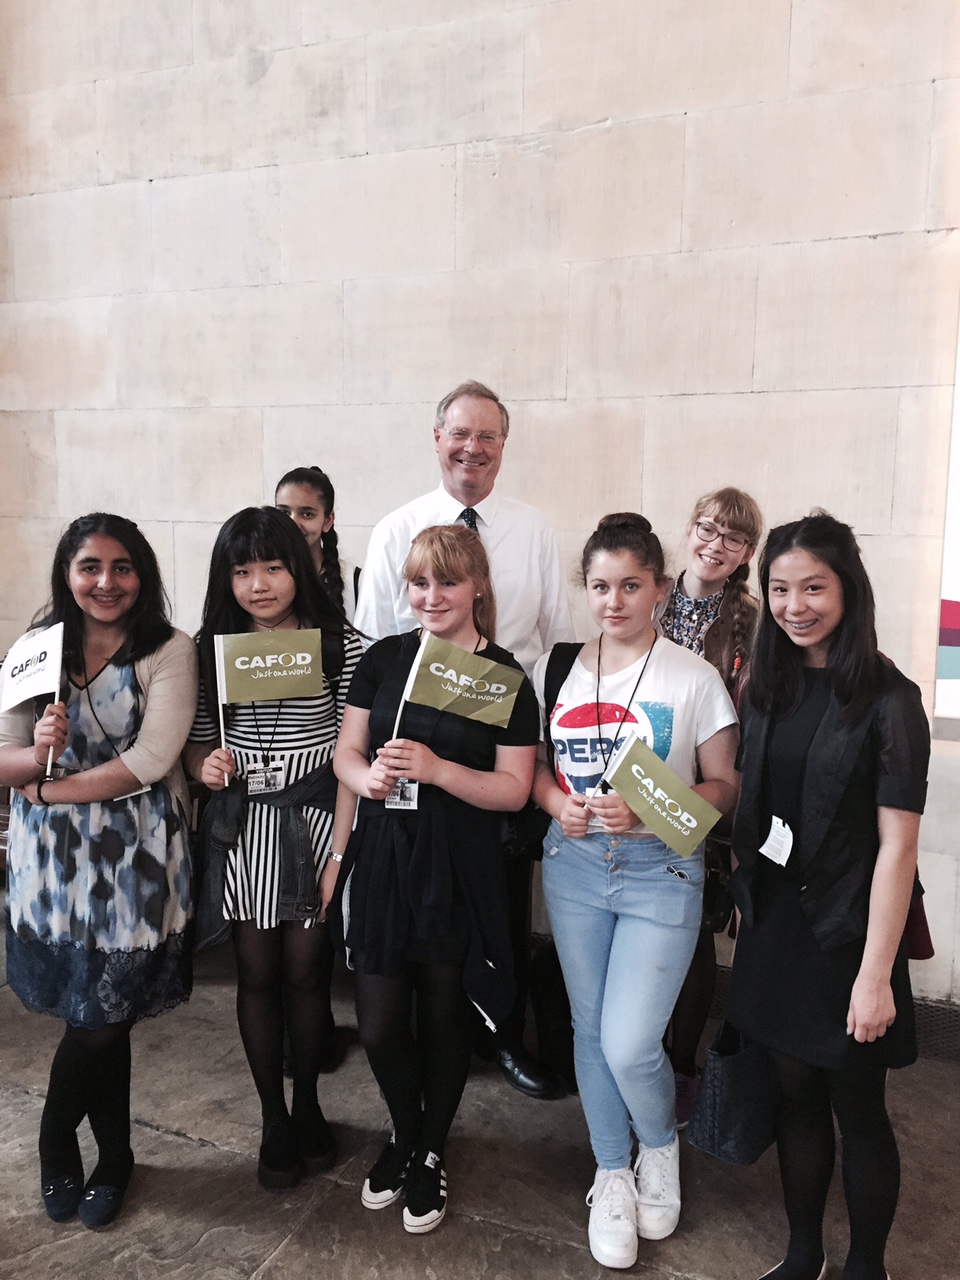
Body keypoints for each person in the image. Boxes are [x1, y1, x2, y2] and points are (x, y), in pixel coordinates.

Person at [354, 380, 574, 1099]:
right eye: (460, 433)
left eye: (487, 436)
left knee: (497, 898)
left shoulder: (534, 528)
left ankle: (494, 1030)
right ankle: (423, 1034)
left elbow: (552, 640)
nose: (472, 448)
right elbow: (375, 642)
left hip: (501, 735)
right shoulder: (398, 528)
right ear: (438, 438)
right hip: (409, 741)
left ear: (503, 446)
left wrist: (524, 730)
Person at [532, 513, 740, 1270]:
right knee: (591, 1030)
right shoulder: (557, 669)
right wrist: (560, 805)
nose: (613, 601)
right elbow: (535, 770)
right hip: (576, 866)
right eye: (599, 586)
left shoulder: (694, 676)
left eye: (630, 585)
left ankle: (660, 1145)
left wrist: (655, 809)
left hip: (662, 872)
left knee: (629, 1040)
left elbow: (724, 788)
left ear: (659, 586)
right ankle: (611, 1169)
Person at [726, 513, 930, 1280]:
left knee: (859, 1110)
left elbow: (898, 848)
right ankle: (803, 1250)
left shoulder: (889, 699)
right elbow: (759, 804)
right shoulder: (766, 684)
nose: (794, 604)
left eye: (813, 586)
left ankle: (866, 1265)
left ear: (848, 587)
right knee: (793, 1097)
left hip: (849, 933)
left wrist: (875, 976)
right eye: (780, 588)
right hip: (777, 925)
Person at [329, 525, 539, 1233]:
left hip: (458, 863)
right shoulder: (385, 660)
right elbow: (345, 755)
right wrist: (372, 777)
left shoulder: (501, 676)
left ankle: (428, 1149)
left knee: (446, 1016)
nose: (431, 597)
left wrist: (439, 769)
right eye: (419, 582)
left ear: (477, 586)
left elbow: (514, 790)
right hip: (386, 855)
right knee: (382, 1023)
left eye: (447, 582)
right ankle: (404, 1128)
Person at [0, 513, 197, 1228]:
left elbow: (150, 760)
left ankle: (57, 1143)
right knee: (98, 1019)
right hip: (51, 872)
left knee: (101, 1021)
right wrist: (33, 755)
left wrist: (45, 788)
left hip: (136, 868)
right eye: (90, 567)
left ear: (142, 574)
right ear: (67, 573)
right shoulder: (34, 649)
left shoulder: (169, 648)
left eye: (122, 567)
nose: (106, 582)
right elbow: (5, 754)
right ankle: (116, 1156)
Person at [184, 506, 362, 1190]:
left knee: (309, 973)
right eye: (242, 569)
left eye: (273, 566)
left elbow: (354, 754)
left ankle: (310, 1102)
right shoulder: (211, 648)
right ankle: (272, 1117)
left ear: (300, 567)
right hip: (244, 827)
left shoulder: (339, 644)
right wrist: (206, 765)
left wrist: (340, 856)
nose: (259, 584)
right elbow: (200, 738)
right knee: (256, 975)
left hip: (318, 820)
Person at [657, 486, 763, 1124]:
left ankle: (682, 1064)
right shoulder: (652, 593)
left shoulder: (752, 618)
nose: (714, 545)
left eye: (732, 538)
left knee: (693, 931)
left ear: (747, 551)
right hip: (641, 778)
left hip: (707, 790)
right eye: (706, 528)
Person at [275, 465, 360, 622]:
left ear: (327, 521)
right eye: (284, 512)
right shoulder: (257, 579)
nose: (293, 523)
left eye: (307, 514)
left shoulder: (354, 581)